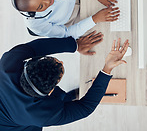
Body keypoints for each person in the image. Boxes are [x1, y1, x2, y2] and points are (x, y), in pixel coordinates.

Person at [0, 31, 129, 131]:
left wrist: (75, 45)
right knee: (55, 109)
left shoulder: (10, 61)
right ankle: (65, 98)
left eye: (55, 60)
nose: (61, 61)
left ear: (30, 62)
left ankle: (67, 97)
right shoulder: (40, 114)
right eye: (61, 73)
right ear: (50, 91)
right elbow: (85, 108)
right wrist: (107, 69)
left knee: (61, 101)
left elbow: (36, 47)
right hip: (10, 126)